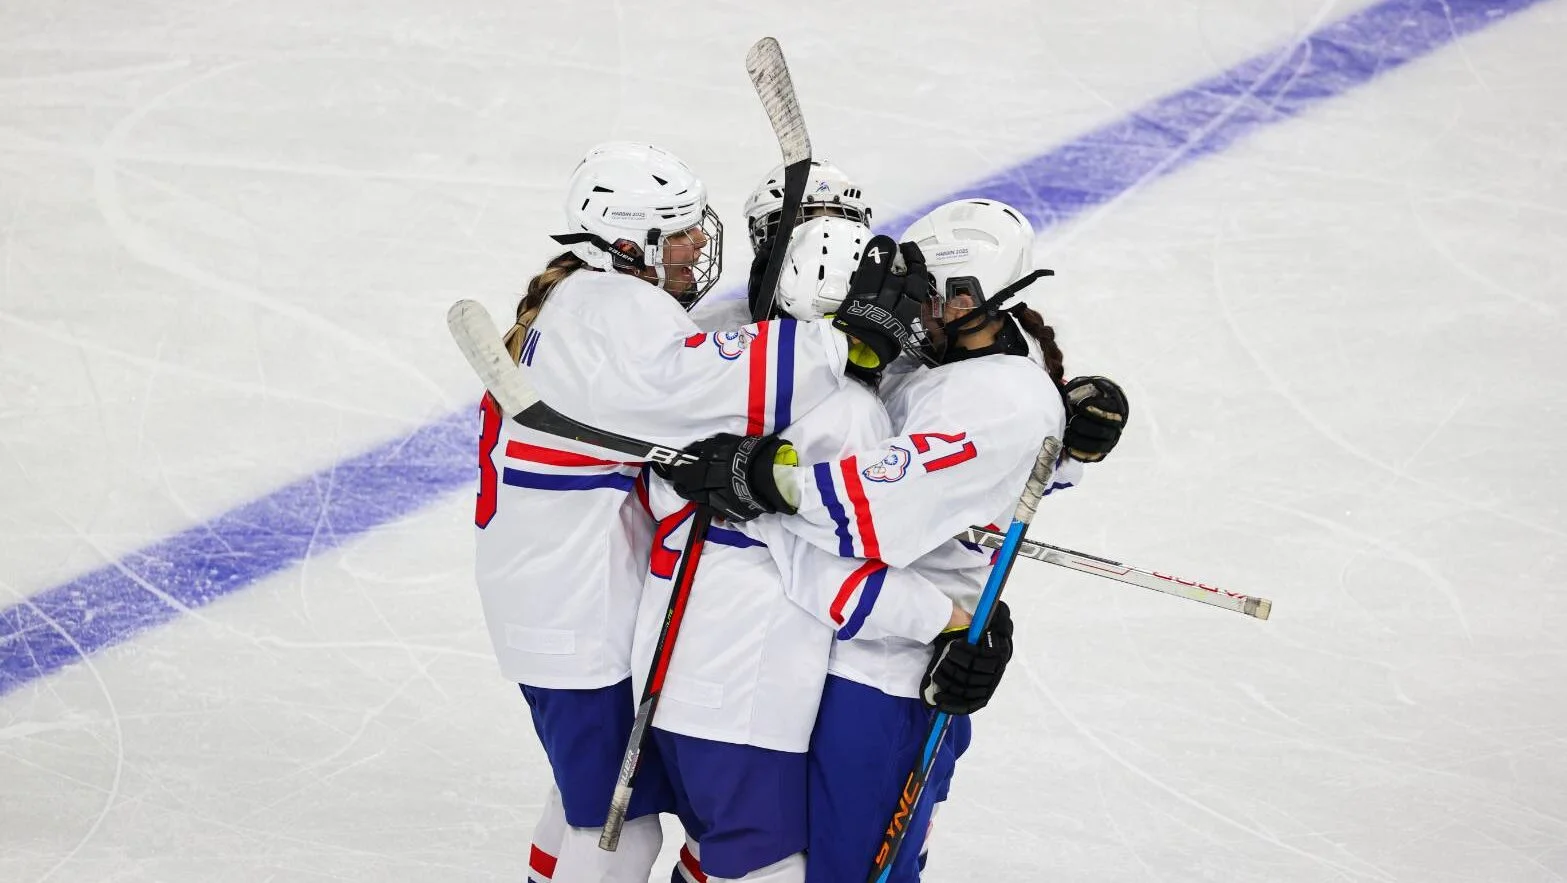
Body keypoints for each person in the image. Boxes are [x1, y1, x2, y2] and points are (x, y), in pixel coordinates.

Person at [470, 142, 924, 882]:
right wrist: (842, 342)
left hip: (557, 605)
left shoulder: (588, 297)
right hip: (577, 618)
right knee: (616, 834)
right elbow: (703, 389)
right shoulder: (618, 309)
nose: (697, 245)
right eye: (677, 232)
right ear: (627, 245)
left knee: (585, 808)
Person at [661, 197, 1129, 881]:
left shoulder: (1004, 397)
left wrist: (760, 481)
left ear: (965, 295)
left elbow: (872, 514)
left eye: (922, 293)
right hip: (837, 660)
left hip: (890, 681)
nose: (907, 308)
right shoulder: (947, 364)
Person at [638, 216, 973, 883]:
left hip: (663, 671)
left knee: (710, 854)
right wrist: (952, 620)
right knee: (767, 870)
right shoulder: (850, 412)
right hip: (742, 692)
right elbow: (833, 574)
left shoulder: (726, 365)